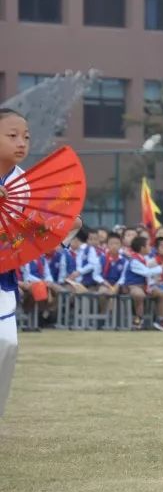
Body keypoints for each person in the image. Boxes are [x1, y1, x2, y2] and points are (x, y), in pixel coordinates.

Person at [0, 109, 81, 416]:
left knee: (7, 345)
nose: (21, 142)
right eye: (12, 135)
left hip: (4, 276)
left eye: (26, 136)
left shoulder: (26, 183)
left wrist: (62, 226)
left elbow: (33, 231)